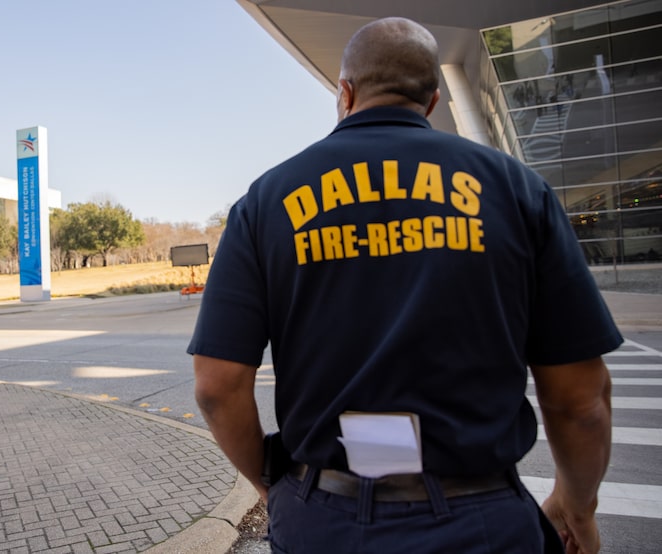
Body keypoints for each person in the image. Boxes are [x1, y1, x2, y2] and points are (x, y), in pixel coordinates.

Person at [188, 16, 621, 554]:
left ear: (344, 92)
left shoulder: (265, 202)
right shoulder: (516, 189)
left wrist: (273, 485)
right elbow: (581, 397)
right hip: (481, 519)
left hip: (324, 519)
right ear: (434, 100)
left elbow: (215, 386)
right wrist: (576, 505)